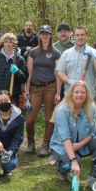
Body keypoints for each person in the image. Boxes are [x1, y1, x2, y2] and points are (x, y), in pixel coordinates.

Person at [49, 81, 96, 182]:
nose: (79, 95)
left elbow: (92, 132)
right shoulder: (63, 110)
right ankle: (61, 167)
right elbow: (65, 138)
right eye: (76, 92)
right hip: (63, 146)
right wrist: (73, 161)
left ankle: (94, 177)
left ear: (87, 94)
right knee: (75, 163)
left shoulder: (92, 108)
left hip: (82, 144)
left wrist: (79, 145)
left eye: (83, 92)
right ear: (71, 93)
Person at [23, 25, 61, 157]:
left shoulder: (56, 53)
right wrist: (27, 89)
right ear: (39, 35)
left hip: (51, 86)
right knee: (30, 119)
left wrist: (58, 92)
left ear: (51, 36)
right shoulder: (33, 52)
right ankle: (31, 142)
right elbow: (30, 72)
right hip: (35, 87)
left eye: (47, 33)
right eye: (42, 33)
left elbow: (58, 73)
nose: (45, 36)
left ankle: (46, 144)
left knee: (49, 117)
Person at [55, 26, 96, 98]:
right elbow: (59, 72)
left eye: (82, 35)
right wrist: (70, 81)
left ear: (87, 36)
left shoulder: (94, 52)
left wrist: (95, 58)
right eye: (77, 35)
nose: (80, 37)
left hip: (88, 96)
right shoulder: (66, 53)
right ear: (74, 37)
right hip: (70, 96)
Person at [0, 33, 28, 105]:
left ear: (14, 43)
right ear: (3, 43)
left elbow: (24, 78)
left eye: (10, 42)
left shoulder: (19, 59)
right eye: (6, 42)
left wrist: (17, 71)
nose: (8, 44)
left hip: (13, 95)